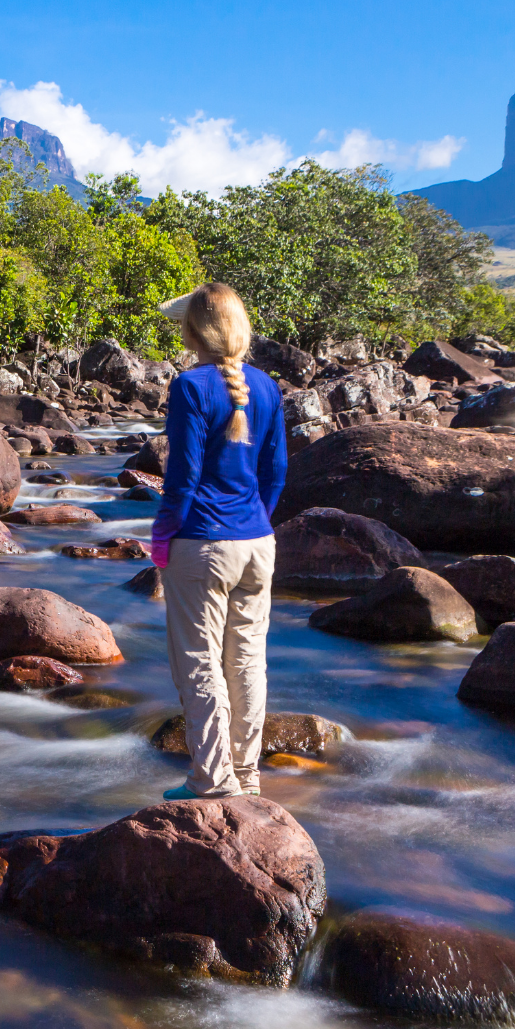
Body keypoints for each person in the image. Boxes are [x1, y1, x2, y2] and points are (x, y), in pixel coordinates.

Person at [149, 283, 286, 800]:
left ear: (193, 331)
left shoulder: (190, 386)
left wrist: (162, 537)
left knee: (199, 662)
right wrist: (253, 521)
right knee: (247, 663)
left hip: (202, 544)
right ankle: (246, 778)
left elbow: (182, 479)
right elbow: (276, 473)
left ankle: (212, 780)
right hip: (257, 544)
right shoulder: (266, 387)